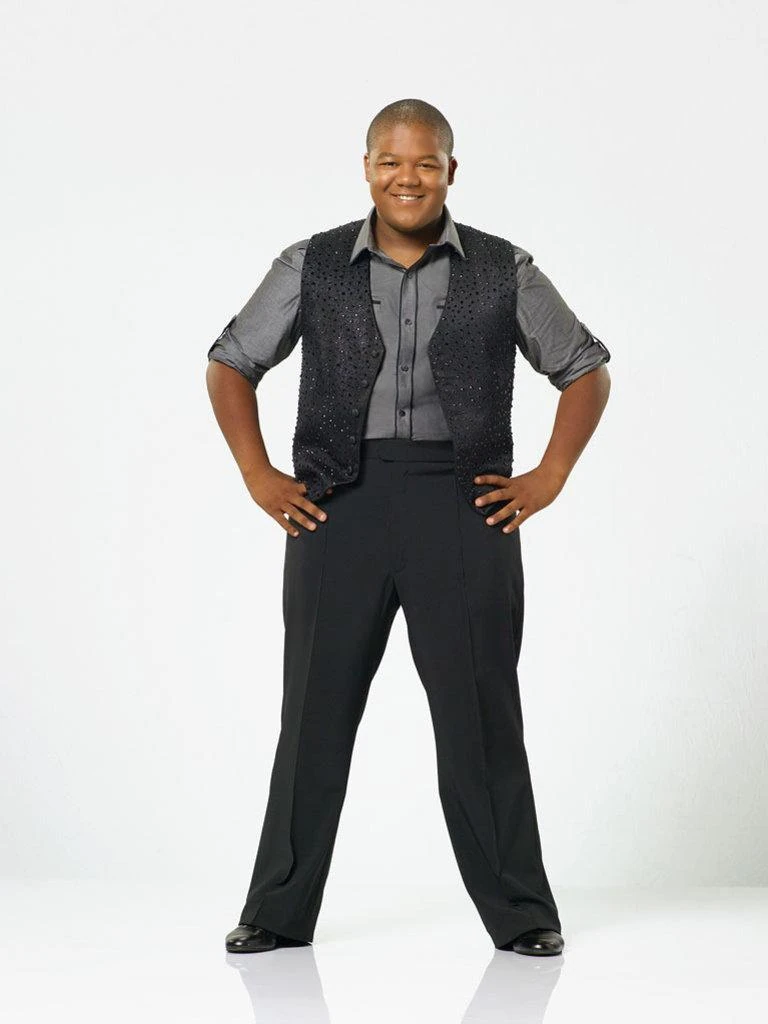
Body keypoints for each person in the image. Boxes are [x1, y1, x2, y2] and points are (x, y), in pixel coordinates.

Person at [206, 98, 611, 957]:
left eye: (426, 162)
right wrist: (257, 473)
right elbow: (231, 361)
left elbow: (584, 368)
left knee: (480, 714)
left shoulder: (504, 268)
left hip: (463, 504)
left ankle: (522, 913)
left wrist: (549, 474)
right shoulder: (311, 263)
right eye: (391, 161)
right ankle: (276, 911)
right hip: (336, 504)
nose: (408, 177)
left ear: (450, 171)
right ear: (366, 168)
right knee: (313, 713)